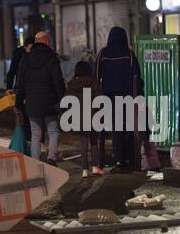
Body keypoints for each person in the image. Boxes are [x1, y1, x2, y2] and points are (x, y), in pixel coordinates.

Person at [15, 32, 66, 166]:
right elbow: (58, 81)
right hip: (50, 102)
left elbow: (20, 83)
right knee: (53, 131)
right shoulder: (52, 58)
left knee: (35, 134)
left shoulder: (25, 59)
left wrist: (18, 103)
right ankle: (51, 159)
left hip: (32, 103)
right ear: (47, 43)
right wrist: (64, 100)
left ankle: (36, 163)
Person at [95, 26, 142, 171]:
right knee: (129, 127)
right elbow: (137, 76)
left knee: (116, 128)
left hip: (109, 97)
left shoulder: (103, 53)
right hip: (128, 96)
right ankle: (130, 158)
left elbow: (96, 75)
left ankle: (119, 159)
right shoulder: (129, 53)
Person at [64, 61, 105, 178]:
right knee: (93, 142)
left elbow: (67, 100)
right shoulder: (93, 82)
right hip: (93, 115)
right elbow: (99, 99)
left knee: (83, 142)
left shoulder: (72, 84)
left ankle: (84, 170)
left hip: (79, 116)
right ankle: (95, 167)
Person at [6, 35, 35, 142]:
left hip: (32, 90)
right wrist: (9, 87)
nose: (32, 51)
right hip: (21, 89)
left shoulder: (35, 55)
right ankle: (25, 143)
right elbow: (12, 71)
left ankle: (30, 144)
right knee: (23, 119)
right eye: (30, 48)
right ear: (25, 46)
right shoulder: (19, 55)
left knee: (31, 120)